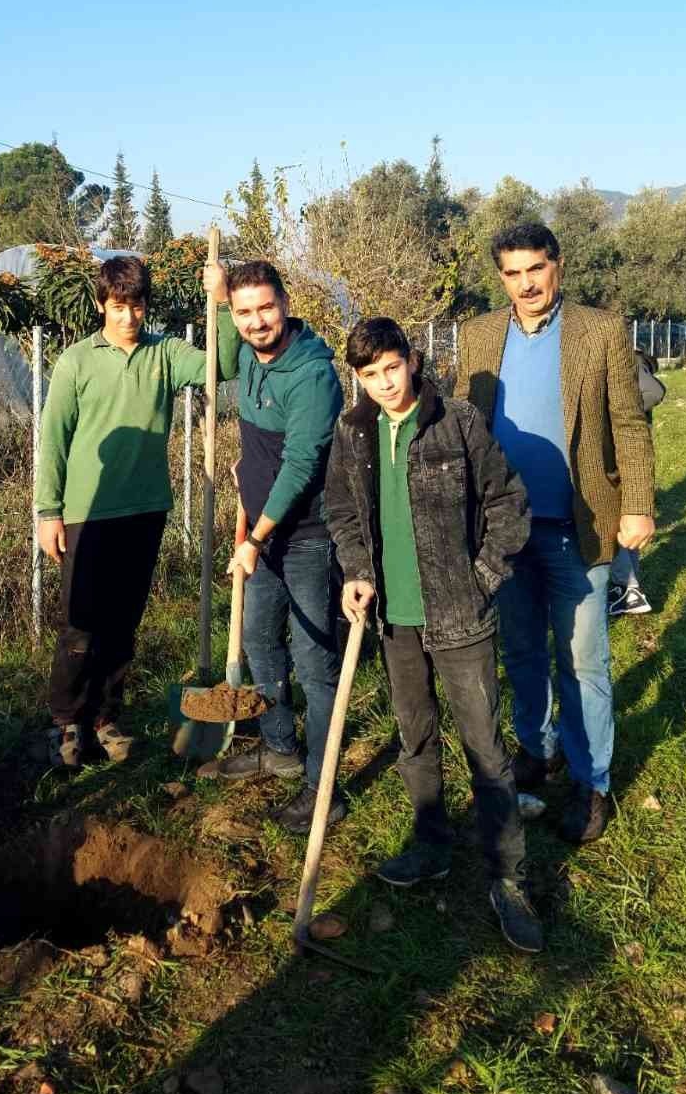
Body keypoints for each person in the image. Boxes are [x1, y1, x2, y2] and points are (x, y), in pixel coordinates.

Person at [324, 318, 542, 952]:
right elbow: (342, 509)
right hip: (394, 617)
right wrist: (357, 571)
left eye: (393, 368)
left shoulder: (458, 422)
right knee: (414, 736)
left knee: (485, 747)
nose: (385, 383)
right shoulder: (353, 431)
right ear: (358, 378)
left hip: (460, 615)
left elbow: (507, 502)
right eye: (371, 375)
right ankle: (431, 845)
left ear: (413, 361)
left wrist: (483, 577)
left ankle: (509, 878)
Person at [456, 223, 655, 844]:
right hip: (504, 529)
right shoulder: (478, 335)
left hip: (580, 524)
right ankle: (537, 749)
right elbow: (465, 427)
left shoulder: (600, 331)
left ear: (558, 266)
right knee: (520, 650)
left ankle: (591, 780)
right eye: (512, 273)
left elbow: (628, 423)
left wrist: (638, 504)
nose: (526, 284)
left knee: (583, 660)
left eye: (535, 269)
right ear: (501, 278)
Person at [36, 254, 236, 768]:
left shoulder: (164, 353)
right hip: (86, 513)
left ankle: (107, 719)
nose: (128, 317)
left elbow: (222, 366)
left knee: (123, 623)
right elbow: (54, 439)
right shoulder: (76, 361)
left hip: (145, 509)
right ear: (101, 304)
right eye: (118, 306)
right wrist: (48, 511)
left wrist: (221, 302)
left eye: (137, 306)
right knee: (80, 626)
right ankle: (67, 723)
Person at [207, 260, 345, 833]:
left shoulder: (312, 375)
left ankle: (323, 787)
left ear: (285, 304)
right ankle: (279, 746)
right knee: (261, 642)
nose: (257, 321)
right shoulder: (247, 354)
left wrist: (255, 538)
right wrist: (219, 300)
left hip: (307, 536)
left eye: (266, 307)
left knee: (314, 662)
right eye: (245, 312)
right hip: (260, 536)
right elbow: (219, 362)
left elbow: (301, 464)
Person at [608, 347, 665, 617]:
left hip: (621, 450)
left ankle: (628, 590)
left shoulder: (628, 359)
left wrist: (620, 413)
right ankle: (626, 588)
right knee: (622, 517)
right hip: (620, 449)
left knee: (615, 519)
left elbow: (655, 391)